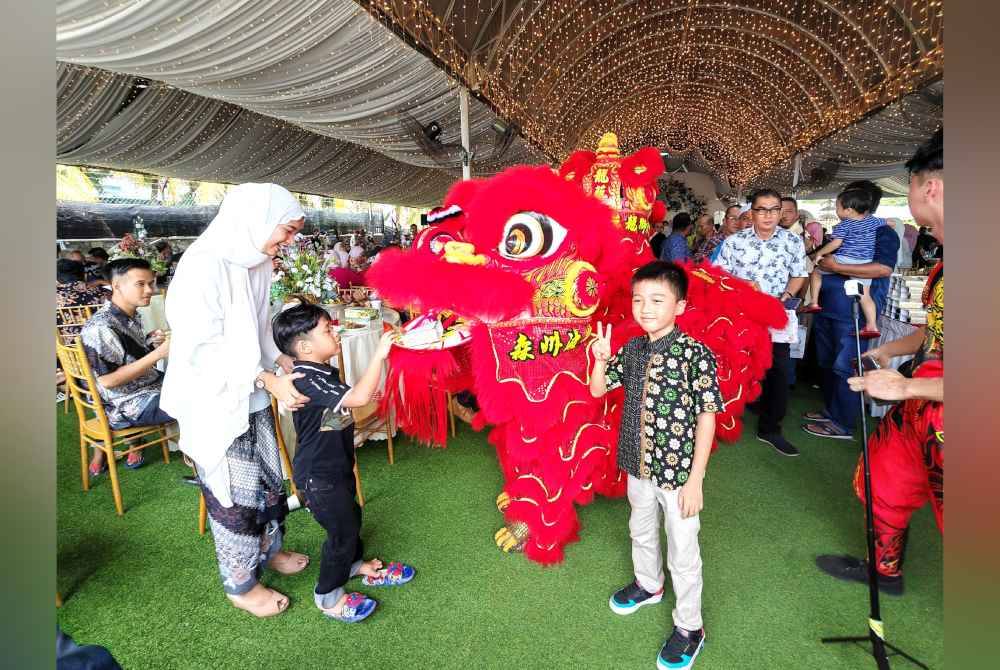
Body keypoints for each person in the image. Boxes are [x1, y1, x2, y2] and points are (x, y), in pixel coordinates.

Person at [161, 183, 311, 618]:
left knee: (268, 481)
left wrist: (284, 363)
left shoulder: (258, 261)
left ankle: (270, 551)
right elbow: (202, 348)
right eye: (284, 232)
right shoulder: (202, 265)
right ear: (255, 219)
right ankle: (240, 583)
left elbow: (261, 330)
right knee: (233, 494)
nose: (286, 243)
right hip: (213, 398)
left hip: (253, 393)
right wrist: (266, 376)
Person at [816, 127, 943, 596]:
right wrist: (891, 350)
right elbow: (936, 334)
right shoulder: (946, 264)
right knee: (880, 478)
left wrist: (909, 388)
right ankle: (884, 569)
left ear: (929, 187)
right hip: (923, 401)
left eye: (907, 186)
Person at [590, 261, 721, 670]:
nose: (645, 308)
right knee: (640, 529)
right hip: (636, 464)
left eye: (657, 300)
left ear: (680, 306)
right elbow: (598, 388)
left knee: (683, 550)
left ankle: (690, 627)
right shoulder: (631, 348)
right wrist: (600, 357)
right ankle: (648, 584)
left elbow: (707, 415)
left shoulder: (695, 355)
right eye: (638, 299)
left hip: (679, 474)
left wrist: (696, 479)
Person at [272, 303, 415, 622]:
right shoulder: (308, 377)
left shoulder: (322, 372)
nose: (335, 332)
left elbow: (333, 415)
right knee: (341, 532)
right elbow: (359, 398)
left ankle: (354, 565)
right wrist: (378, 354)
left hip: (334, 466)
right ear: (306, 346)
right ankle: (328, 595)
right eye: (327, 330)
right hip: (318, 475)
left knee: (350, 517)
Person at [801, 183, 899, 440]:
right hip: (829, 307)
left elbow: (883, 269)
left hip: (852, 310)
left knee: (846, 366)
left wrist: (835, 267)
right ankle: (831, 411)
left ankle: (842, 423)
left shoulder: (883, 232)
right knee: (828, 363)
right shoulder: (848, 228)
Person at [716, 188, 807, 456]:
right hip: (742, 315)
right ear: (751, 213)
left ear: (781, 212)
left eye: (774, 209)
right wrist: (743, 285)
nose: (768, 215)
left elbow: (799, 275)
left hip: (777, 315)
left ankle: (770, 429)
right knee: (735, 365)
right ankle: (726, 421)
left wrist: (786, 296)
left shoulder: (792, 242)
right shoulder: (734, 242)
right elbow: (720, 276)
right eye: (762, 210)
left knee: (779, 369)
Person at [79, 258, 173, 475]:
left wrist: (149, 343)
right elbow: (108, 380)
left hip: (144, 387)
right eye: (141, 284)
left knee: (201, 382)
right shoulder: (101, 327)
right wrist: (158, 353)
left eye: (152, 283)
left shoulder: (128, 315)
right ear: (116, 286)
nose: (150, 290)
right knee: (204, 398)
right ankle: (204, 463)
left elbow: (124, 357)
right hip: (125, 404)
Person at [801, 185, 883, 339]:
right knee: (865, 295)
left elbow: (835, 244)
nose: (836, 211)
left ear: (849, 210)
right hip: (865, 262)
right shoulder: (875, 221)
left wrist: (820, 253)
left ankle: (813, 302)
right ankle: (872, 325)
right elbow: (890, 223)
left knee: (817, 272)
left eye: (837, 207)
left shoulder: (844, 225)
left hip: (845, 258)